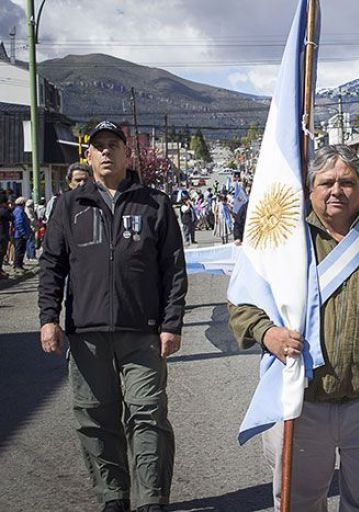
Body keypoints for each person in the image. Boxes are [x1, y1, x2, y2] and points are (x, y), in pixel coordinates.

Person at [228, 144, 359, 511]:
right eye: (326, 182)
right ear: (310, 190)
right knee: (299, 503)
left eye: (347, 182)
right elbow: (242, 303)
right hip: (302, 401)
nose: (336, 190)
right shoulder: (284, 242)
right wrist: (268, 333)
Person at [38, 120, 187, 512]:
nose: (106, 152)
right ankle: (114, 496)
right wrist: (48, 317)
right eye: (99, 146)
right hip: (86, 334)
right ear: (87, 156)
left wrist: (172, 323)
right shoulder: (69, 206)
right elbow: (53, 265)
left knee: (148, 414)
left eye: (113, 145)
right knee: (95, 417)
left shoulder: (154, 203)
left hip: (143, 333)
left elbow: (173, 268)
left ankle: (152, 498)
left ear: (126, 153)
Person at [11, 196, 31, 273]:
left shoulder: (20, 210)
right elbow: (19, 223)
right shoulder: (19, 211)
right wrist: (23, 233)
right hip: (19, 235)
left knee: (22, 250)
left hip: (21, 233)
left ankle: (20, 265)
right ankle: (17, 266)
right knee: (19, 250)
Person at [0, 193, 11, 279]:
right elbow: (11, 217)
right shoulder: (3, 210)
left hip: (3, 234)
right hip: (2, 235)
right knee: (1, 253)